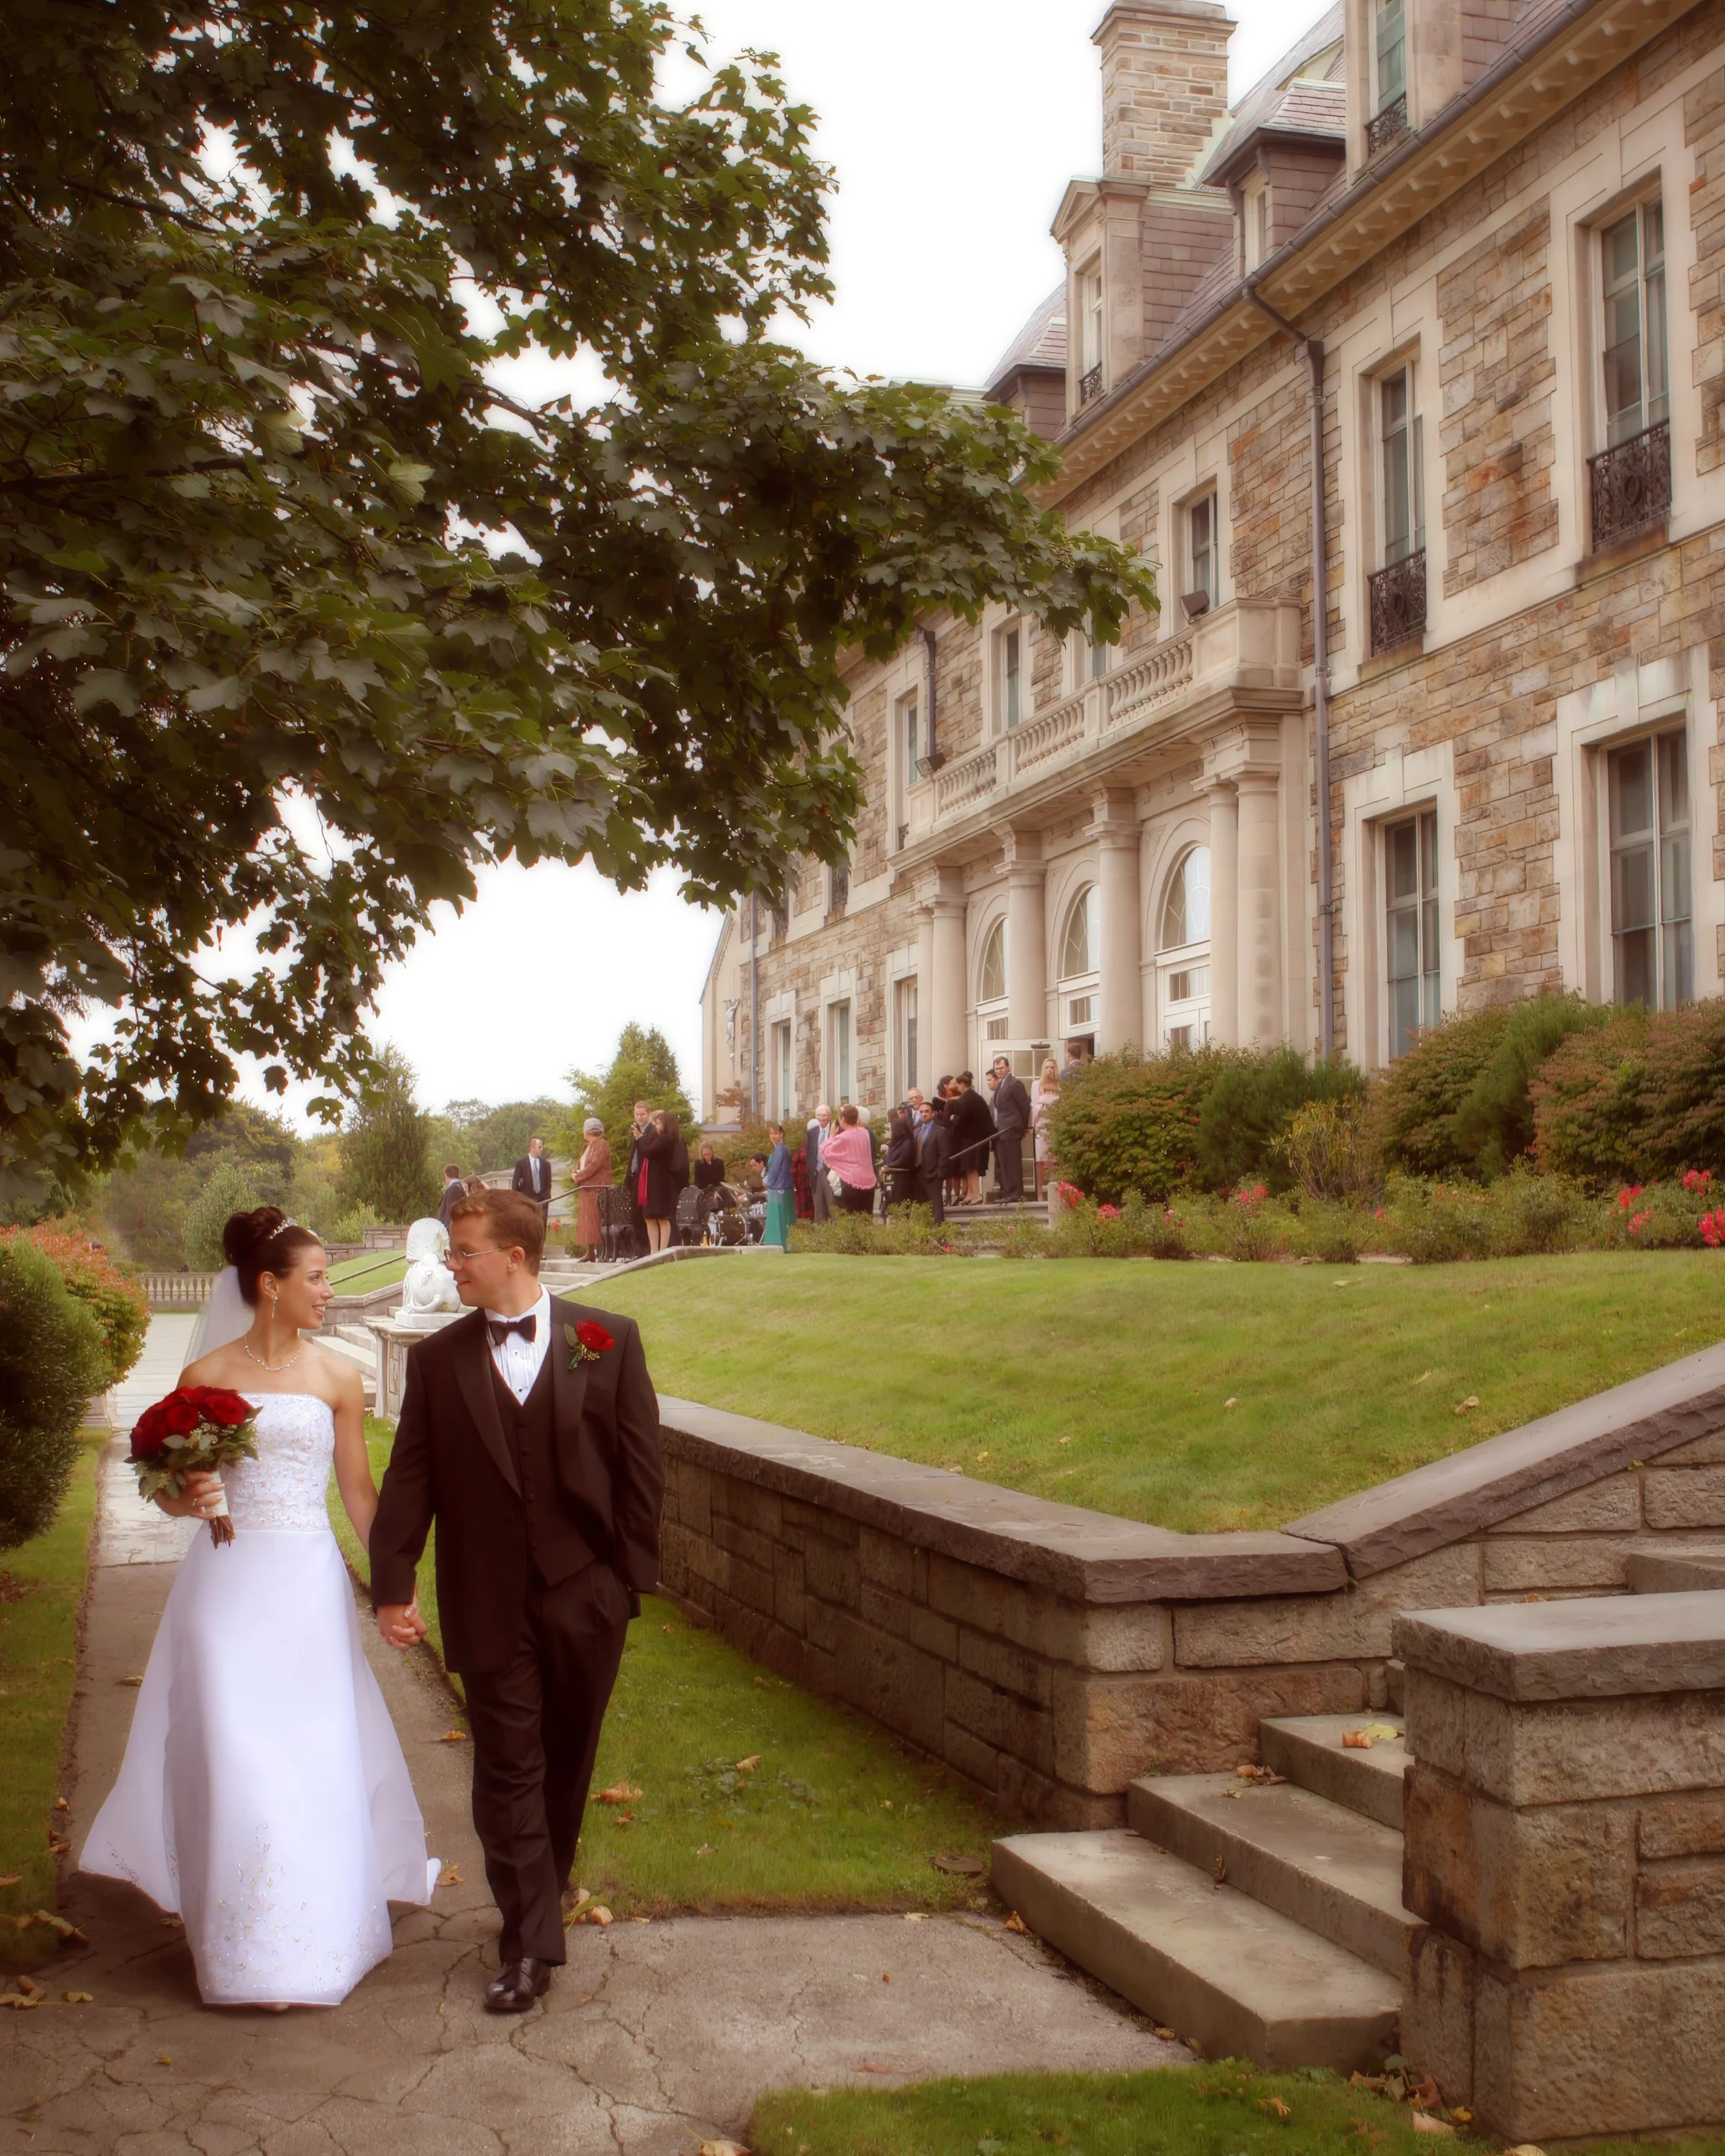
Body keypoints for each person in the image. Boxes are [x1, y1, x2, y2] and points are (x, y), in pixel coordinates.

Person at [81, 1207, 438, 2008]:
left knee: (307, 1751)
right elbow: (166, 1493)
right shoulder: (204, 1380)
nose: (328, 1289)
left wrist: (394, 1586)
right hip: (224, 1585)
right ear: (269, 1286)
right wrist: (190, 1498)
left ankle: (309, 1936)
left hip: (306, 1586)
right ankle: (241, 1942)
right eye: (315, 1276)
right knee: (235, 1751)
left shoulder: (337, 1378)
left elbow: (357, 1492)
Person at [370, 1188, 663, 2016]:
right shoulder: (437, 1363)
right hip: (486, 1601)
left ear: (514, 1258)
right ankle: (526, 1946)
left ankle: (543, 1895)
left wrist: (625, 1584)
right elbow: (410, 1483)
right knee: (507, 1771)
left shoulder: (607, 1343)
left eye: (463, 1252)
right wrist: (394, 1586)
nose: (449, 1266)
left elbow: (643, 1473)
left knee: (566, 1765)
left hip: (587, 1598)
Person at [638, 1108, 688, 1254]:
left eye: (659, 1124)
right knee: (650, 1218)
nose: (656, 1126)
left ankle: (662, 1250)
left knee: (662, 1218)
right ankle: (654, 1251)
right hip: (652, 1183)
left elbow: (648, 1152)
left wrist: (639, 1138)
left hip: (661, 1184)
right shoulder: (658, 1139)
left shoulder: (666, 1140)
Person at [819, 1103, 878, 1214]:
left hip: (851, 1183)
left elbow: (826, 1152)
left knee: (851, 1221)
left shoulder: (843, 1137)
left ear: (842, 1119)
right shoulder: (865, 1133)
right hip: (869, 1182)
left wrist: (831, 1136)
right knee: (866, 1219)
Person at [989, 1055, 1032, 1204]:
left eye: (1001, 1068)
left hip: (1012, 1129)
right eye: (997, 1069)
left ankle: (1015, 1192)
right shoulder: (1000, 1085)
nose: (999, 1071)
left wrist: (1024, 1125)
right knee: (1004, 1163)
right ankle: (1007, 1192)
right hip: (1000, 1130)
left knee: (1012, 1163)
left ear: (1008, 1067)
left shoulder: (1015, 1083)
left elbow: (1024, 1105)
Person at [947, 1072, 995, 1206]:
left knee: (972, 1167)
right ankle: (970, 1194)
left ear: (963, 1084)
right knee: (969, 1168)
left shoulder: (966, 1099)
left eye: (958, 1085)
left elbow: (961, 1119)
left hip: (972, 1140)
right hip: (976, 1138)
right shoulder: (975, 1097)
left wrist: (953, 1119)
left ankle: (976, 1194)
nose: (957, 1088)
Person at [570, 1118, 611, 1261]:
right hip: (586, 1189)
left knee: (596, 1220)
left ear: (588, 1130)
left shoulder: (601, 1144)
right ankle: (590, 1252)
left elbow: (594, 1165)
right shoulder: (587, 1147)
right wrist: (574, 1174)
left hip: (597, 1189)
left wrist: (578, 1177)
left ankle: (601, 1252)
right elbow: (581, 1164)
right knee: (587, 1222)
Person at [914, 1098, 951, 1227]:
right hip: (918, 1171)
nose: (924, 1114)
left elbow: (944, 1153)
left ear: (933, 1114)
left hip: (934, 1172)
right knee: (922, 1201)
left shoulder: (940, 1131)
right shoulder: (916, 1131)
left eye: (927, 1112)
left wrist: (940, 1171)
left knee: (936, 1200)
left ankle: (939, 1225)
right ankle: (925, 1225)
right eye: (921, 1112)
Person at [625, 1100, 653, 1258]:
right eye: (637, 1114)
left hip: (646, 1177)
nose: (640, 1118)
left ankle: (647, 1248)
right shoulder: (636, 1130)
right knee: (635, 1215)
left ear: (648, 1114)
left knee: (644, 1214)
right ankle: (639, 1249)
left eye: (643, 1114)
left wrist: (640, 1137)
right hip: (635, 1176)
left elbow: (647, 1152)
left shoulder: (651, 1130)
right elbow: (633, 1156)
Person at [1031, 1057, 1062, 1202]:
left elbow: (1064, 1105)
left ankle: (1056, 1192)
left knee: (1055, 1159)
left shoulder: (1059, 1085)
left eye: (1052, 1067)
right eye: (1047, 1067)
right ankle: (1039, 1193)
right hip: (1042, 1125)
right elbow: (1034, 1105)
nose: (1050, 1070)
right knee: (1041, 1159)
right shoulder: (1037, 1084)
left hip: (1055, 1125)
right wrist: (1042, 1110)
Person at [762, 1123, 794, 1247]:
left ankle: (778, 1245)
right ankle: (783, 1244)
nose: (773, 1136)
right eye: (771, 1133)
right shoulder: (781, 1149)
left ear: (782, 1134)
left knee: (778, 1219)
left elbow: (775, 1169)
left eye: (776, 1133)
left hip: (779, 1189)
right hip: (782, 1188)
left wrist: (767, 1182)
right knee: (782, 1219)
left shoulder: (780, 1149)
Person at [881, 1107, 918, 1210]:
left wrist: (890, 1166)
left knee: (901, 1204)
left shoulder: (908, 1142)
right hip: (893, 1179)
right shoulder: (895, 1143)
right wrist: (886, 1165)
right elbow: (889, 1156)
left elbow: (904, 1159)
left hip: (903, 1179)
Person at [806, 1105, 834, 1224]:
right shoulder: (812, 1132)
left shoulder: (835, 1130)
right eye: (819, 1115)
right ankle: (821, 1238)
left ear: (829, 1117)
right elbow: (810, 1153)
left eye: (824, 1115)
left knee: (832, 1205)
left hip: (831, 1172)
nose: (821, 1118)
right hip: (816, 1172)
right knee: (818, 1208)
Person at [511, 1135, 551, 1216]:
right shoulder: (521, 1164)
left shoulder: (546, 1164)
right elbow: (515, 1184)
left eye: (542, 1147)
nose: (541, 1150)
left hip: (542, 1202)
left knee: (541, 1226)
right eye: (539, 1147)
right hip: (527, 1202)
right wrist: (519, 1200)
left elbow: (548, 1184)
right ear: (532, 1148)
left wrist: (546, 1198)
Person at [436, 1162, 466, 1230]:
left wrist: (447, 1231)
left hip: (450, 1231)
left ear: (446, 1175)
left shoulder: (454, 1188)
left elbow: (451, 1212)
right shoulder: (458, 1187)